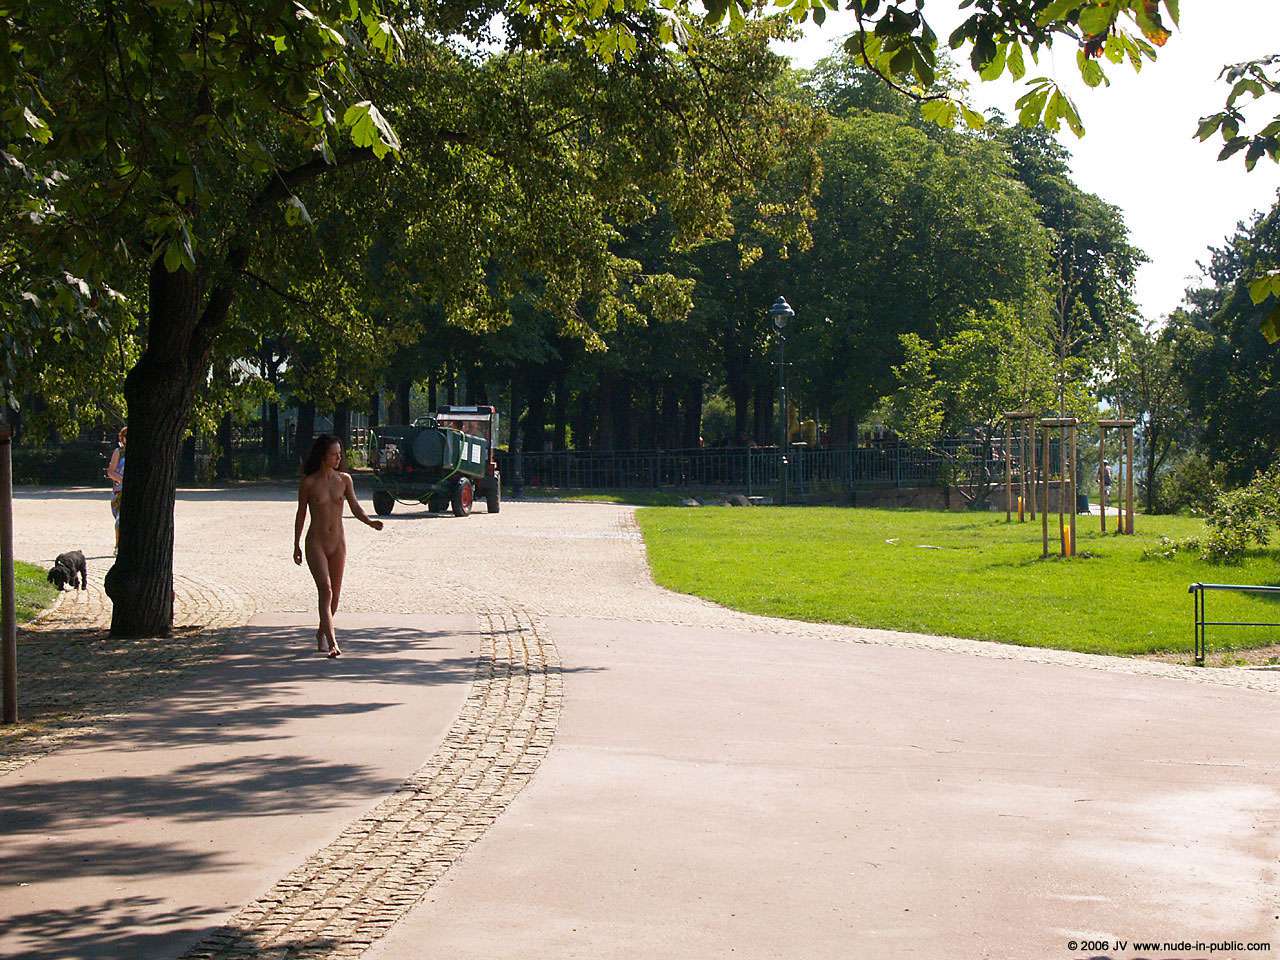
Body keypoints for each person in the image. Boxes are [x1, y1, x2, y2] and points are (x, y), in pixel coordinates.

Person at [294, 434, 383, 657]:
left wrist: (370, 522)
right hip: (316, 542)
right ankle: (333, 643)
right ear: (323, 456)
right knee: (325, 590)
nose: (338, 458)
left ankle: (321, 633)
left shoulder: (344, 480)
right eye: (334, 454)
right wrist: (296, 544)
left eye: (339, 454)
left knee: (335, 596)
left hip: (338, 544)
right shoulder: (309, 483)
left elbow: (355, 507)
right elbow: (301, 514)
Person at [106, 426, 127, 554]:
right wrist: (123, 480)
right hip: (120, 492)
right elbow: (111, 472)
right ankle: (119, 545)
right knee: (119, 521)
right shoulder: (119, 452)